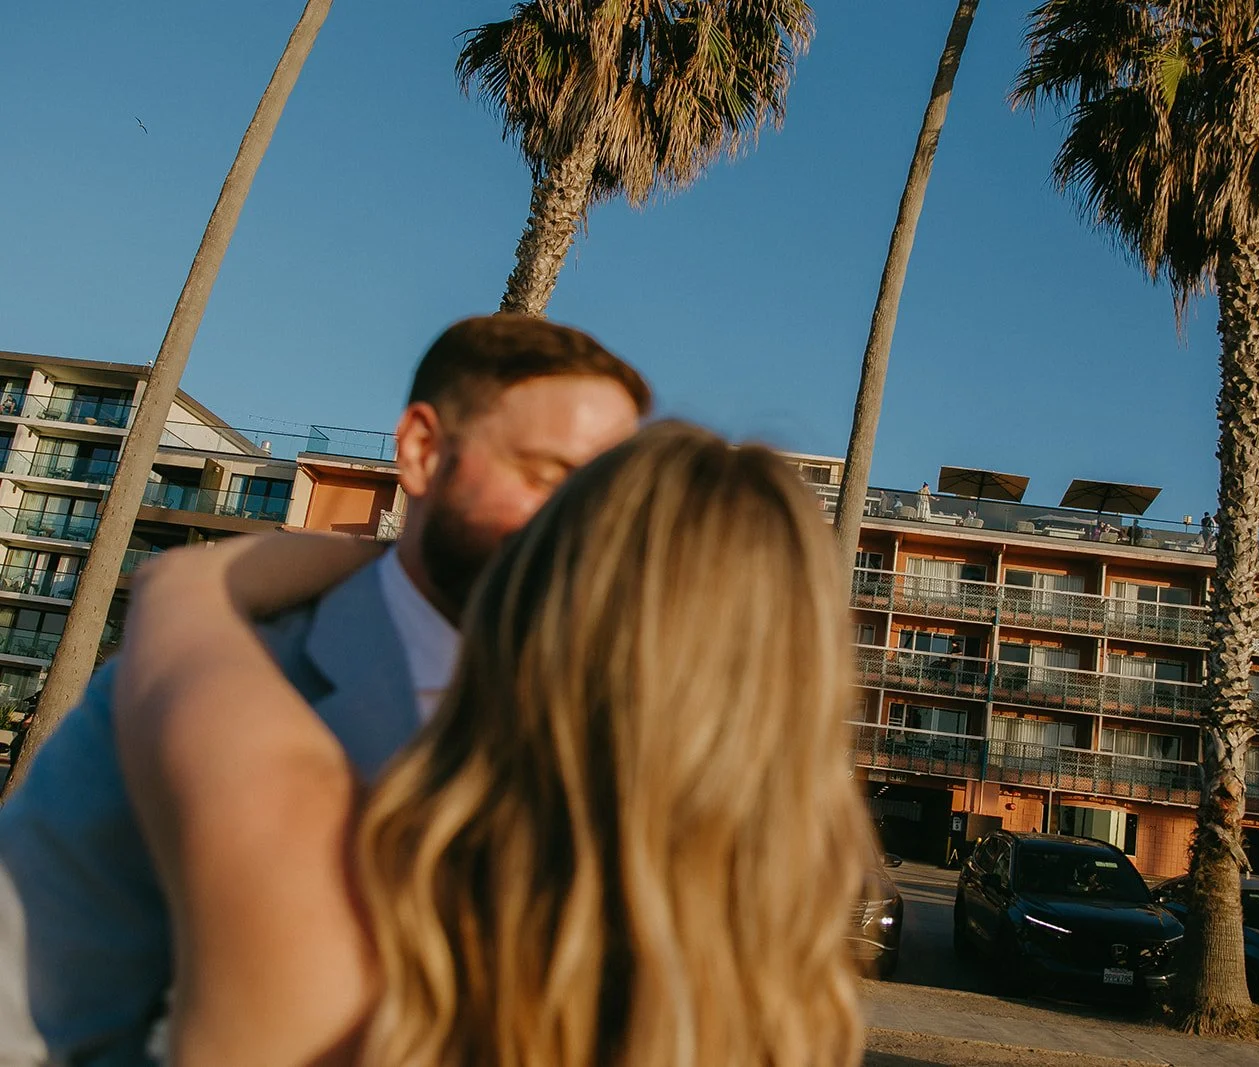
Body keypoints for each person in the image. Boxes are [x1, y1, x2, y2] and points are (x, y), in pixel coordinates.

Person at [0, 315, 651, 1065]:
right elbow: (31, 1016)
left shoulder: (618, 722)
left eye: (604, 499)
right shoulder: (181, 681)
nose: (583, 530)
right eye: (546, 477)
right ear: (423, 451)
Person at [115, 422, 873, 1066]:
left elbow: (182, 592)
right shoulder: (796, 1018)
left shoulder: (323, 877)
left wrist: (410, 561)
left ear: (522, 615)